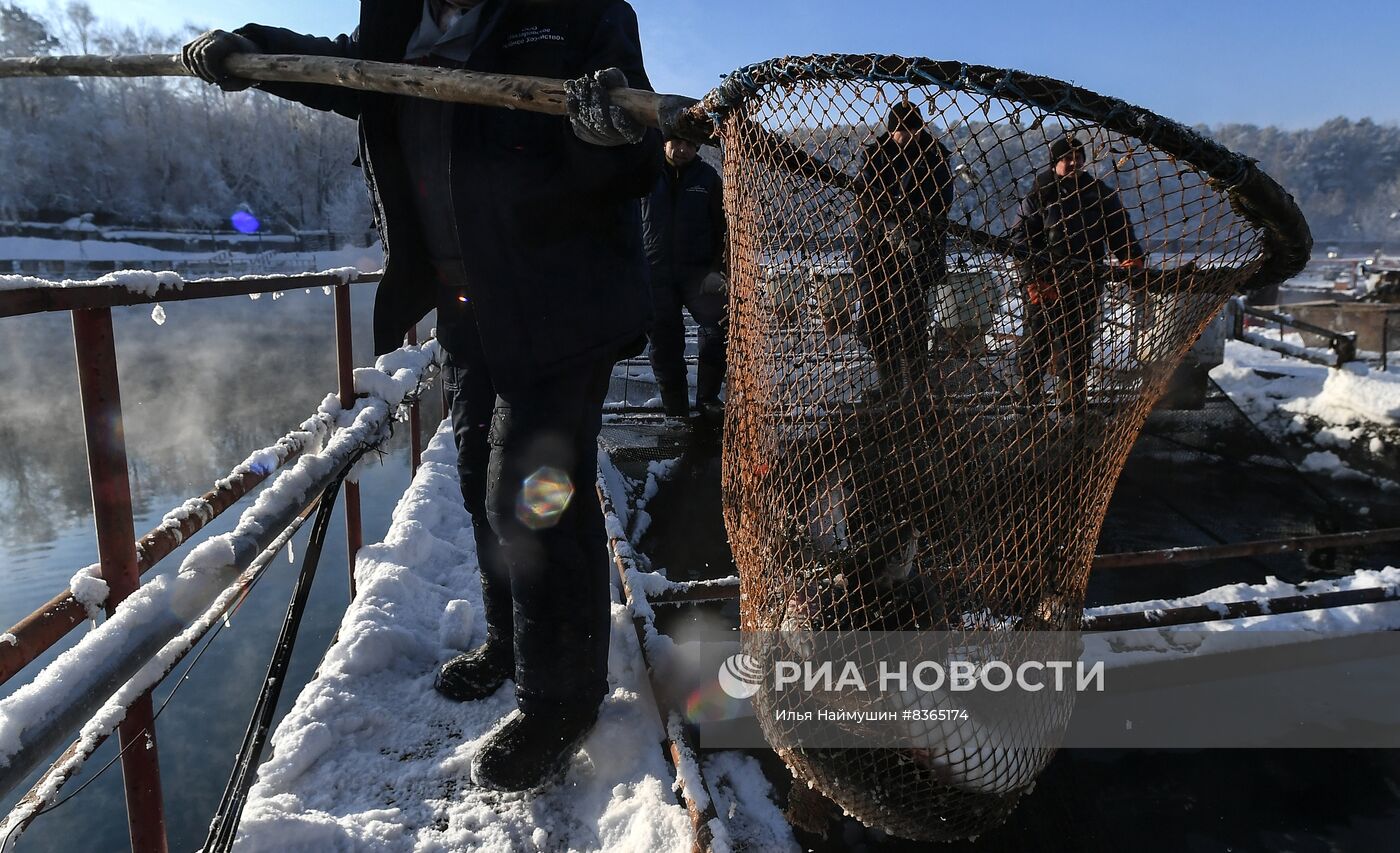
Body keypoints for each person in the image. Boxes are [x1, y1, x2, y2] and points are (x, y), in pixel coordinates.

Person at [182, 0, 662, 792]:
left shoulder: (580, 12)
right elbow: (340, 71)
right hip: (471, 303)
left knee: (531, 497)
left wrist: (604, 132)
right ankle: (512, 643)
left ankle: (562, 700)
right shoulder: (402, 21)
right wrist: (249, 51)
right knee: (476, 476)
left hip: (564, 303)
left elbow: (638, 165)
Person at [1013, 134, 1144, 414]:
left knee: (1077, 345)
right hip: (1045, 282)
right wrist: (1033, 280)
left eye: (1078, 158)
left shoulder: (1099, 193)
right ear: (1055, 162)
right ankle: (1027, 403)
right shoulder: (1039, 193)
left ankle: (1072, 404)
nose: (1074, 163)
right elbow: (1022, 241)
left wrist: (1130, 256)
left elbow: (1119, 228)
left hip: (1086, 281)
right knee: (1036, 343)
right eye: (1067, 158)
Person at [851, 101, 953, 403]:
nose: (908, 136)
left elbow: (940, 202)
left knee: (912, 322)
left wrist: (914, 232)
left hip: (917, 252)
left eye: (913, 129)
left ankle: (917, 389)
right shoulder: (875, 155)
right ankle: (891, 383)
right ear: (891, 130)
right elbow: (865, 199)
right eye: (901, 130)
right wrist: (886, 227)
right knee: (873, 321)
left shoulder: (935, 156)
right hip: (876, 252)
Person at [640, 134, 727, 424]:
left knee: (717, 331)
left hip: (699, 274)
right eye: (677, 142)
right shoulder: (645, 172)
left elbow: (723, 229)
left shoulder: (708, 178)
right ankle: (675, 411)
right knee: (664, 344)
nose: (682, 149)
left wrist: (716, 269)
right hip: (655, 272)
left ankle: (707, 399)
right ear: (664, 142)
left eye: (690, 144)